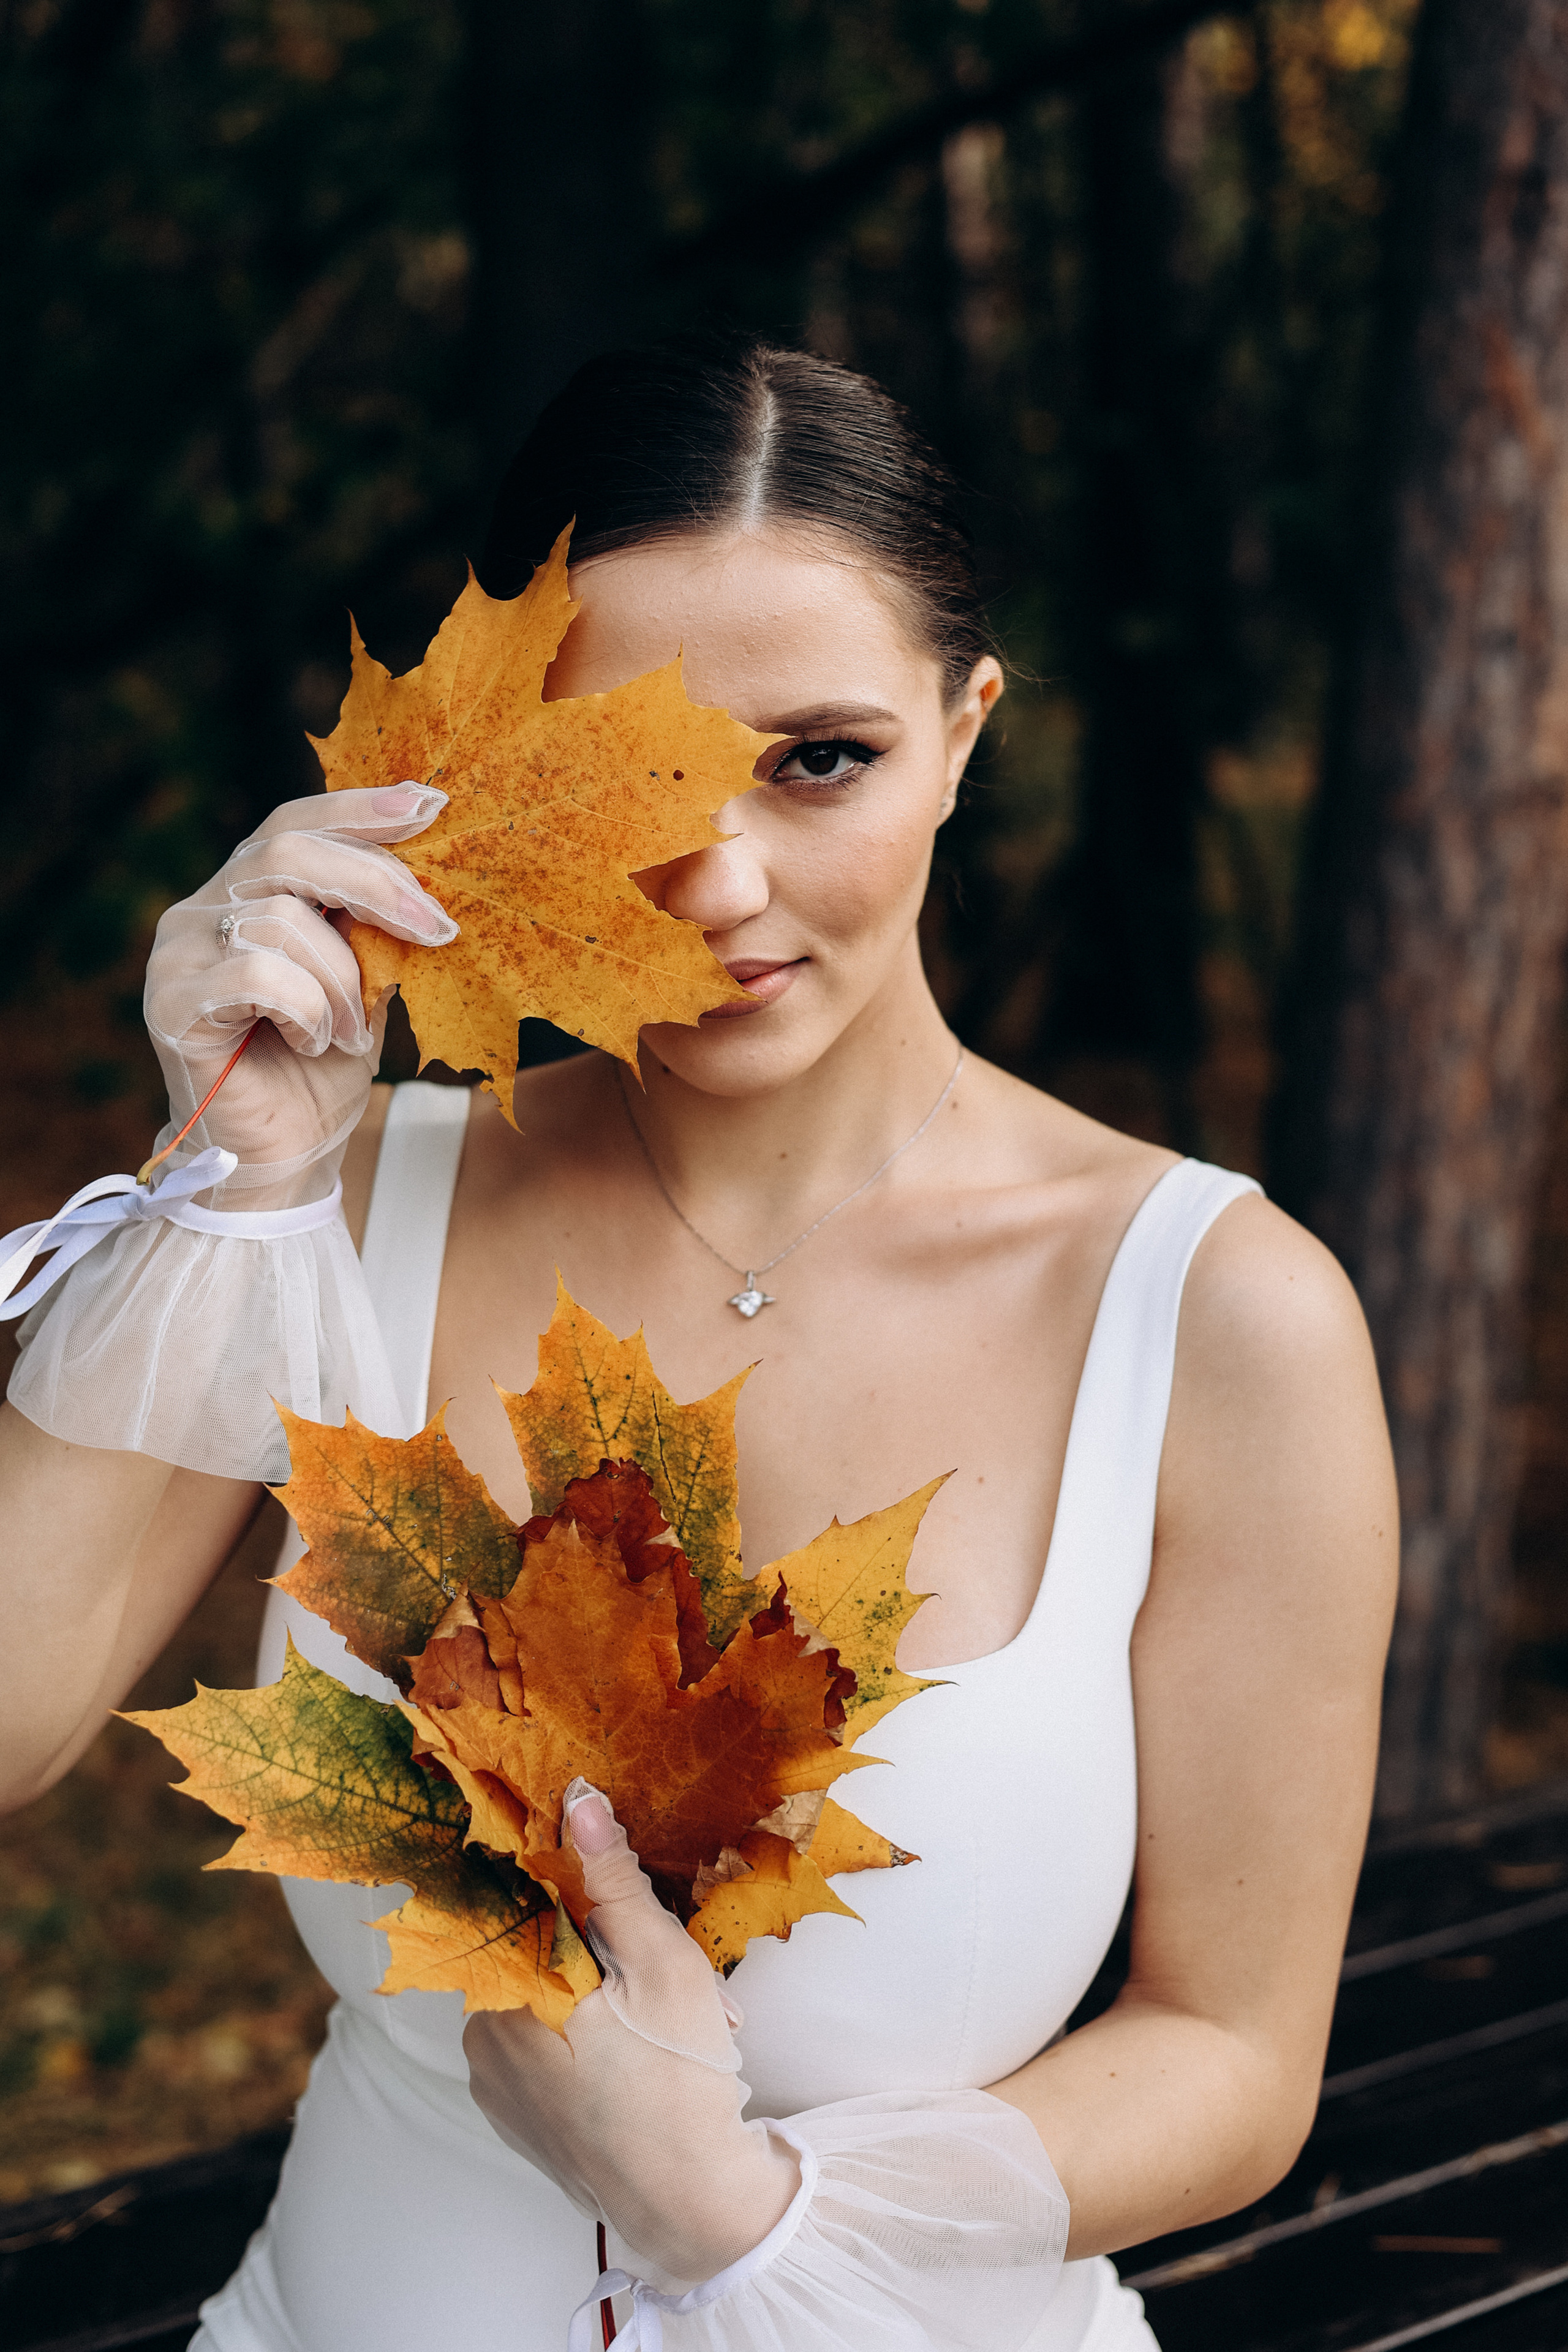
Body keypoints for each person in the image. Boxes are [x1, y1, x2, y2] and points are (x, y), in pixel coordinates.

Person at [0, 339, 1398, 2351]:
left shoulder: (1212, 1314)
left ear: (963, 730)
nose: (720, 883)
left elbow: (1238, 2057)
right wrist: (224, 1184)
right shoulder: (347, 1206)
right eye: (620, 780)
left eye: (820, 757)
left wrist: (759, 2214)